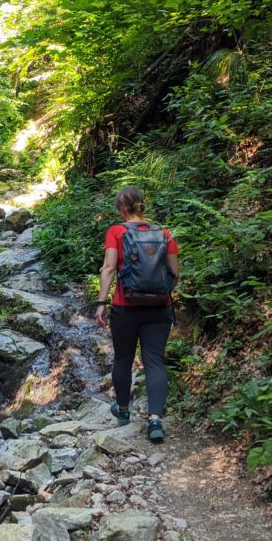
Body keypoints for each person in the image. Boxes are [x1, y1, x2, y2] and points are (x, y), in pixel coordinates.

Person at [94, 186, 179, 441]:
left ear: (121, 209)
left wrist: (101, 302)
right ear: (142, 205)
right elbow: (174, 272)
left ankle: (123, 411)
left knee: (123, 359)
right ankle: (155, 420)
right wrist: (160, 293)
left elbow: (109, 268)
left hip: (125, 307)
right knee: (154, 361)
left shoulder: (116, 232)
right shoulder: (164, 233)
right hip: (159, 308)